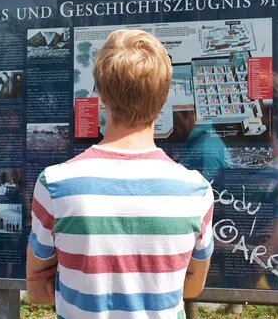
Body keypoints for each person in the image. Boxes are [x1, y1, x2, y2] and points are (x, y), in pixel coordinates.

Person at [27, 29, 215, 317]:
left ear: (101, 93)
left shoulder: (55, 184)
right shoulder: (196, 191)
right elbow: (191, 286)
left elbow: (38, 289)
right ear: (164, 96)